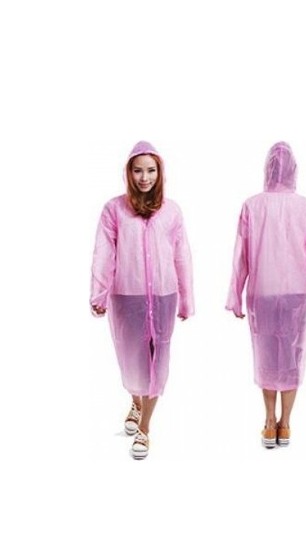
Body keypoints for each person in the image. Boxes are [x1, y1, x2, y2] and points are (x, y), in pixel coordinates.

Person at [226, 142, 306, 448]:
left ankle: (269, 421)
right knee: (291, 359)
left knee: (266, 358)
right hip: (297, 295)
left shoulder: (252, 206)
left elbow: (241, 257)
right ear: (294, 170)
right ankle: (285, 424)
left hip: (262, 292)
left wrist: (235, 295)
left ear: (267, 169)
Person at [90, 141, 194, 459]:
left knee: (157, 360)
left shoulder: (172, 211)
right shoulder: (114, 210)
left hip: (164, 296)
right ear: (129, 173)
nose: (144, 177)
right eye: (138, 170)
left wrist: (187, 298)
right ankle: (136, 403)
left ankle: (145, 428)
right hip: (127, 296)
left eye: (150, 170)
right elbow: (104, 254)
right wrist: (99, 292)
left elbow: (182, 256)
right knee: (132, 360)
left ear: (159, 173)